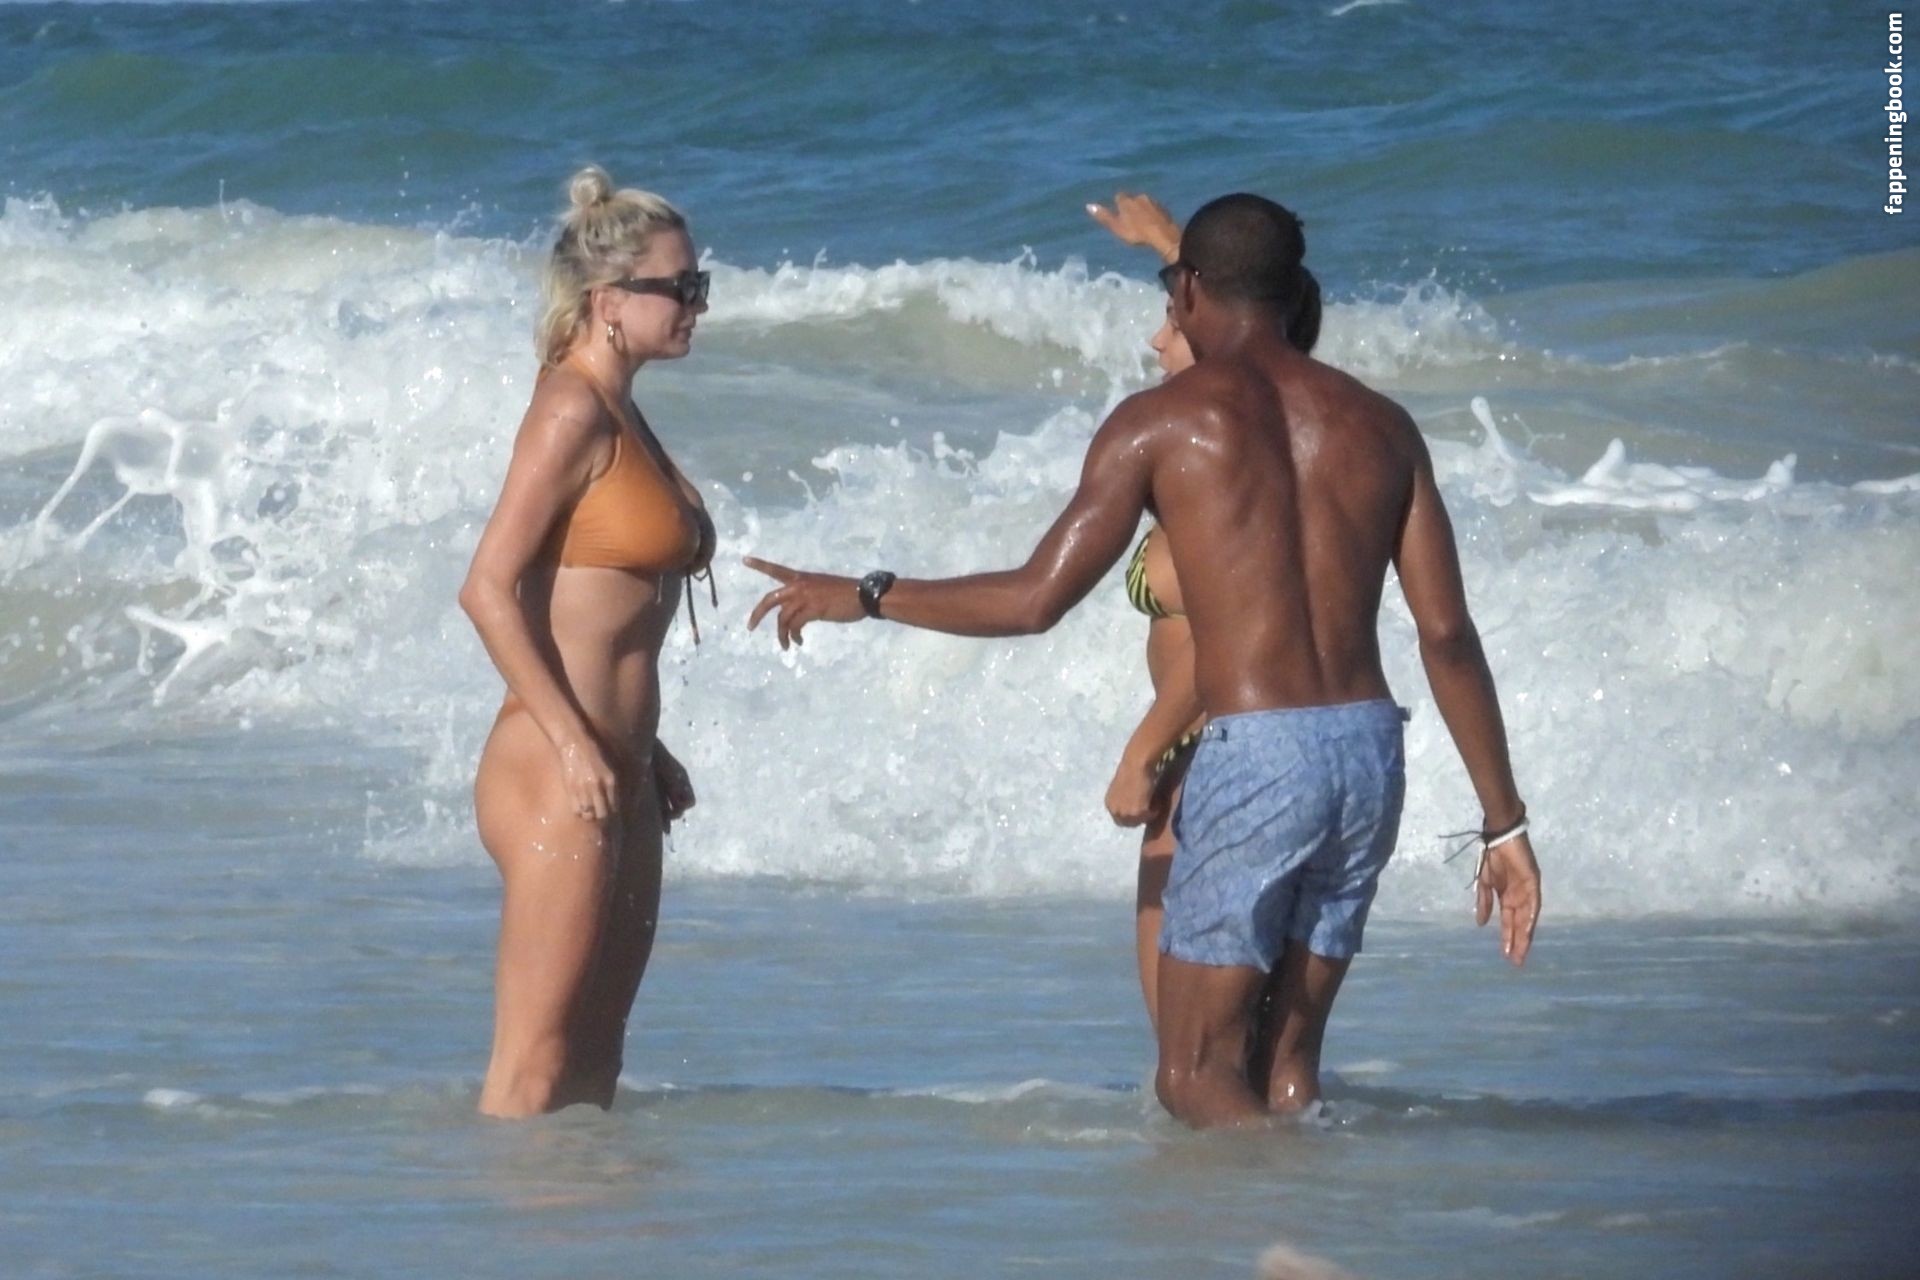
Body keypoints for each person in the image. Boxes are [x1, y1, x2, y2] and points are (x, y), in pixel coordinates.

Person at [745, 193, 1541, 1130]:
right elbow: (1446, 636)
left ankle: (1294, 1215)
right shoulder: (1381, 425)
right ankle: (1316, 1204)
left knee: (1194, 1074)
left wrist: (872, 594)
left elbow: (1034, 599)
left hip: (1260, 753)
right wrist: (1503, 824)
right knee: (1286, 1068)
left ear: (1189, 288)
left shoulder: (1161, 423)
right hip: (1368, 750)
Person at [459, 165, 714, 1118]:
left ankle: (580, 1207)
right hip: (554, 765)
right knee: (534, 1063)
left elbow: (597, 613)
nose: (697, 305)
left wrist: (648, 749)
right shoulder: (570, 406)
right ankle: (494, 1210)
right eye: (680, 287)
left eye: (700, 284)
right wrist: (575, 744)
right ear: (608, 301)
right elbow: (488, 587)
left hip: (620, 767)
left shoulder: (622, 407)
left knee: (597, 1062)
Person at [1086, 193, 1323, 1054]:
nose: (1158, 341)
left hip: (1206, 758)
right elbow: (1253, 286)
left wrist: (1142, 753)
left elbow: (1222, 640)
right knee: (1256, 1058)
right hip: (1275, 753)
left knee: (1189, 1064)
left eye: (1172, 320)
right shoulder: (1274, 432)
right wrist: (1168, 243)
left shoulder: (1210, 458)